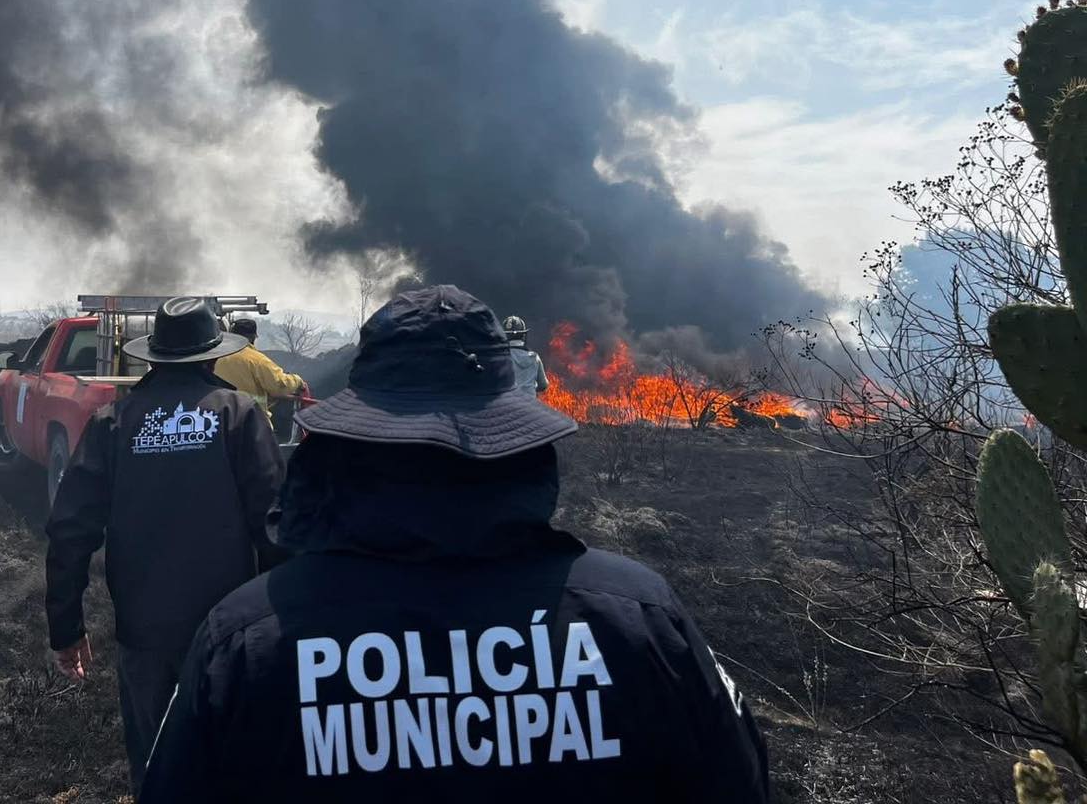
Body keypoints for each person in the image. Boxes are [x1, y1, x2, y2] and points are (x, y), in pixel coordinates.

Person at [139, 286, 769, 802]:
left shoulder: (248, 640)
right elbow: (738, 783)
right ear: (518, 440)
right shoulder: (639, 620)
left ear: (350, 441)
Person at [44, 296, 286, 796]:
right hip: (229, 635)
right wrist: (284, 628)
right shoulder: (239, 417)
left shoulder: (113, 424)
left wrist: (66, 627)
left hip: (144, 634)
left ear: (153, 358)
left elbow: (70, 529)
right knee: (233, 768)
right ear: (212, 357)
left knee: (157, 770)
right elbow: (275, 530)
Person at [213, 316, 308, 427]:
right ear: (254, 337)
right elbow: (279, 385)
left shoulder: (215, 359)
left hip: (220, 423)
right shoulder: (256, 360)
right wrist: (297, 381)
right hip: (253, 424)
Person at [503, 314, 549, 396]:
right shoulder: (534, 357)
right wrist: (531, 388)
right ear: (523, 335)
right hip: (529, 402)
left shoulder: (500, 358)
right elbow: (543, 385)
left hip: (507, 402)